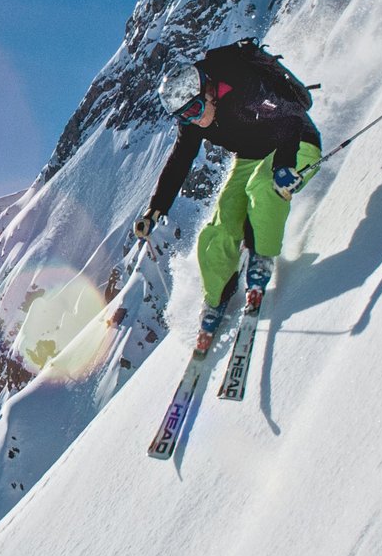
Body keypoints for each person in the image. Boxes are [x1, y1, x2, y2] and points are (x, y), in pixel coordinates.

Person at [133, 45, 322, 351]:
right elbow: (180, 160)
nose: (193, 121)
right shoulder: (193, 119)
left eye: (194, 111)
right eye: (183, 118)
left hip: (296, 142)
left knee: (263, 188)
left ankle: (261, 259)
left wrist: (285, 165)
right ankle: (216, 298)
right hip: (251, 157)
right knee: (215, 233)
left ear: (209, 91)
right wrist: (155, 210)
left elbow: (291, 118)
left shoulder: (244, 86)